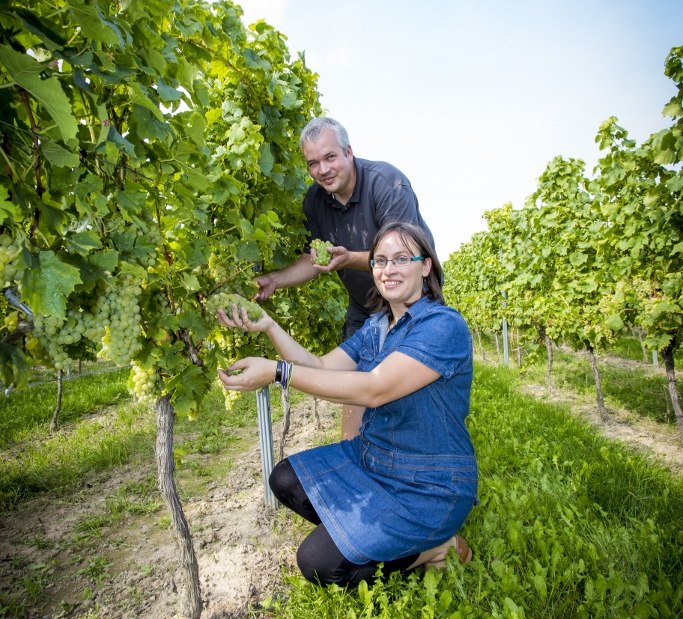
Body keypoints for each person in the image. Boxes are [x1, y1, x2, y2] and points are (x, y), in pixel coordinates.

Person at [218, 222, 477, 588]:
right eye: (380, 261)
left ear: (426, 266)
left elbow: (374, 389)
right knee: (285, 479)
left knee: (318, 564)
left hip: (428, 483)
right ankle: (366, 537)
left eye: (402, 259)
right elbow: (321, 366)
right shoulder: (377, 326)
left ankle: (435, 548)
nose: (389, 270)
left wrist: (278, 373)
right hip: (373, 461)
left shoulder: (443, 326)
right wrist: (270, 327)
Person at [254, 116, 435, 440]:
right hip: (366, 304)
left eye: (330, 157)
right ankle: (353, 455)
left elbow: (404, 258)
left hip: (411, 303)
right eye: (313, 163)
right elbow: (315, 259)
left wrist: (349, 258)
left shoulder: (387, 184)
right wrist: (277, 279)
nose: (323, 169)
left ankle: (412, 459)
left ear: (349, 152)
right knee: (354, 388)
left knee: (405, 393)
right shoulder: (314, 201)